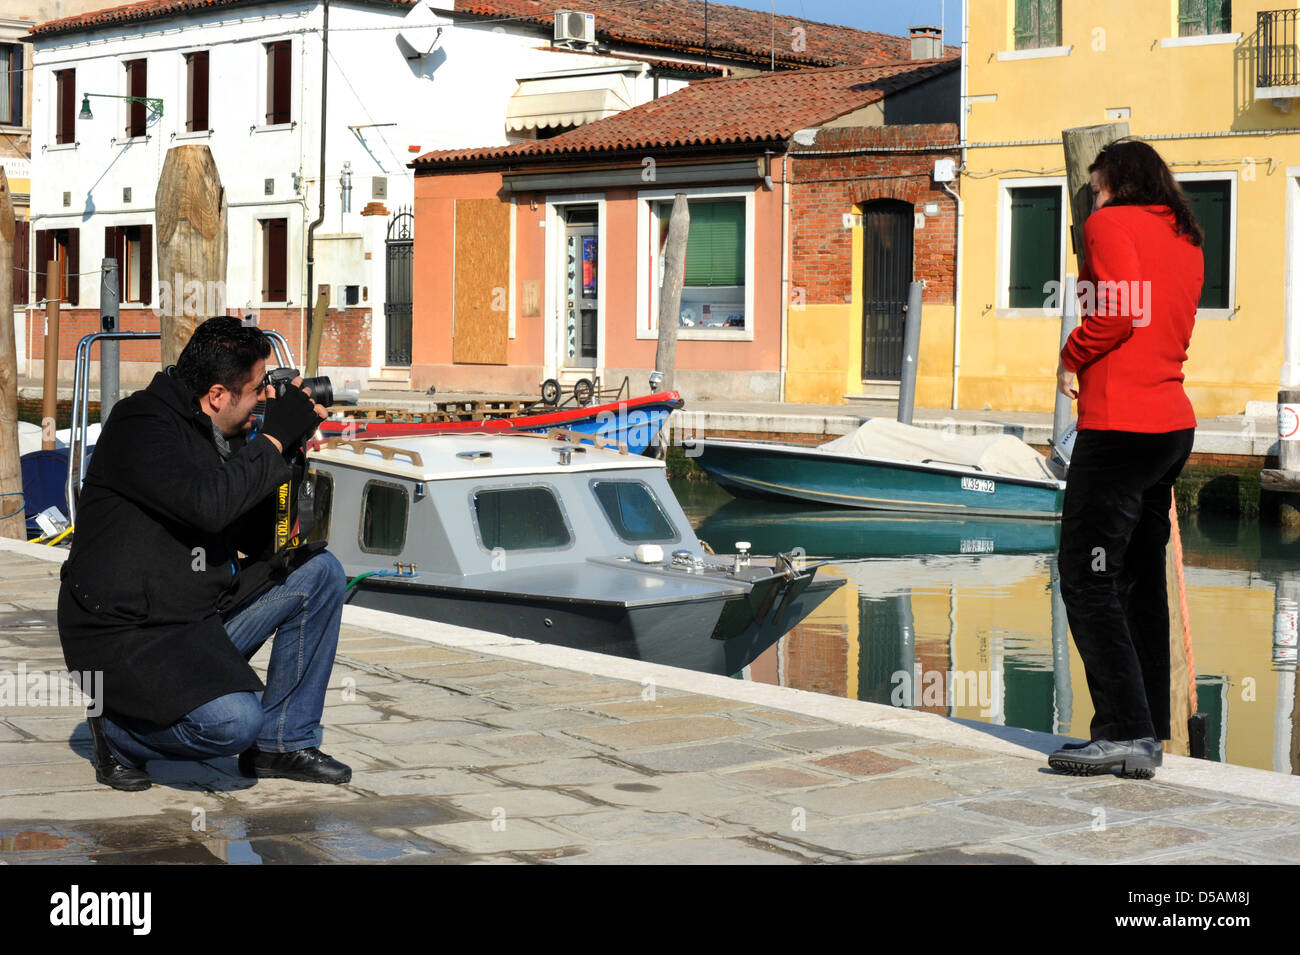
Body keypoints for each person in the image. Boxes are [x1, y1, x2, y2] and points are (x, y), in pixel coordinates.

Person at [58, 316, 352, 790]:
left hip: (195, 613)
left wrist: (288, 449)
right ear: (218, 394)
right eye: (257, 389)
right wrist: (271, 440)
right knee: (233, 723)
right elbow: (209, 507)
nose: (263, 399)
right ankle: (118, 730)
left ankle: (283, 743)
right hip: (129, 632)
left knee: (318, 572)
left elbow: (261, 540)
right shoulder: (141, 424)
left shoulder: (222, 431)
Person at [1048, 139, 1203, 779]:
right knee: (1137, 579)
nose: (1092, 194)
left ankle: (1122, 731)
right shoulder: (1187, 237)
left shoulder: (1107, 223)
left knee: (1086, 578)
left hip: (1119, 429)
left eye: (1096, 183)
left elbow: (1114, 315)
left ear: (1112, 179)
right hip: (1171, 426)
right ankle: (1147, 732)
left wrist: (1070, 355)